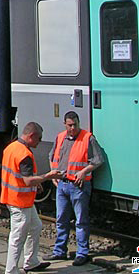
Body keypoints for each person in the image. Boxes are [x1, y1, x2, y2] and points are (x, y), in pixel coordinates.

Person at [1, 122, 63, 274]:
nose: (40, 142)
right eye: (39, 138)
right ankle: (11, 270)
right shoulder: (25, 154)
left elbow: (20, 175)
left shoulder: (11, 147)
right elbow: (28, 180)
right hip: (19, 201)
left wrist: (37, 183)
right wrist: (48, 176)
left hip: (17, 198)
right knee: (17, 237)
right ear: (31, 136)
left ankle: (31, 262)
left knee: (35, 226)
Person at [44, 111, 104, 267]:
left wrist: (83, 172)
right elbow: (52, 157)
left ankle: (82, 253)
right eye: (70, 125)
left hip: (79, 186)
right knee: (61, 220)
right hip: (62, 184)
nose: (72, 128)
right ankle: (59, 251)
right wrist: (53, 173)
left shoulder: (87, 138)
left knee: (81, 221)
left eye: (75, 125)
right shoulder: (60, 137)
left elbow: (98, 160)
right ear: (65, 124)